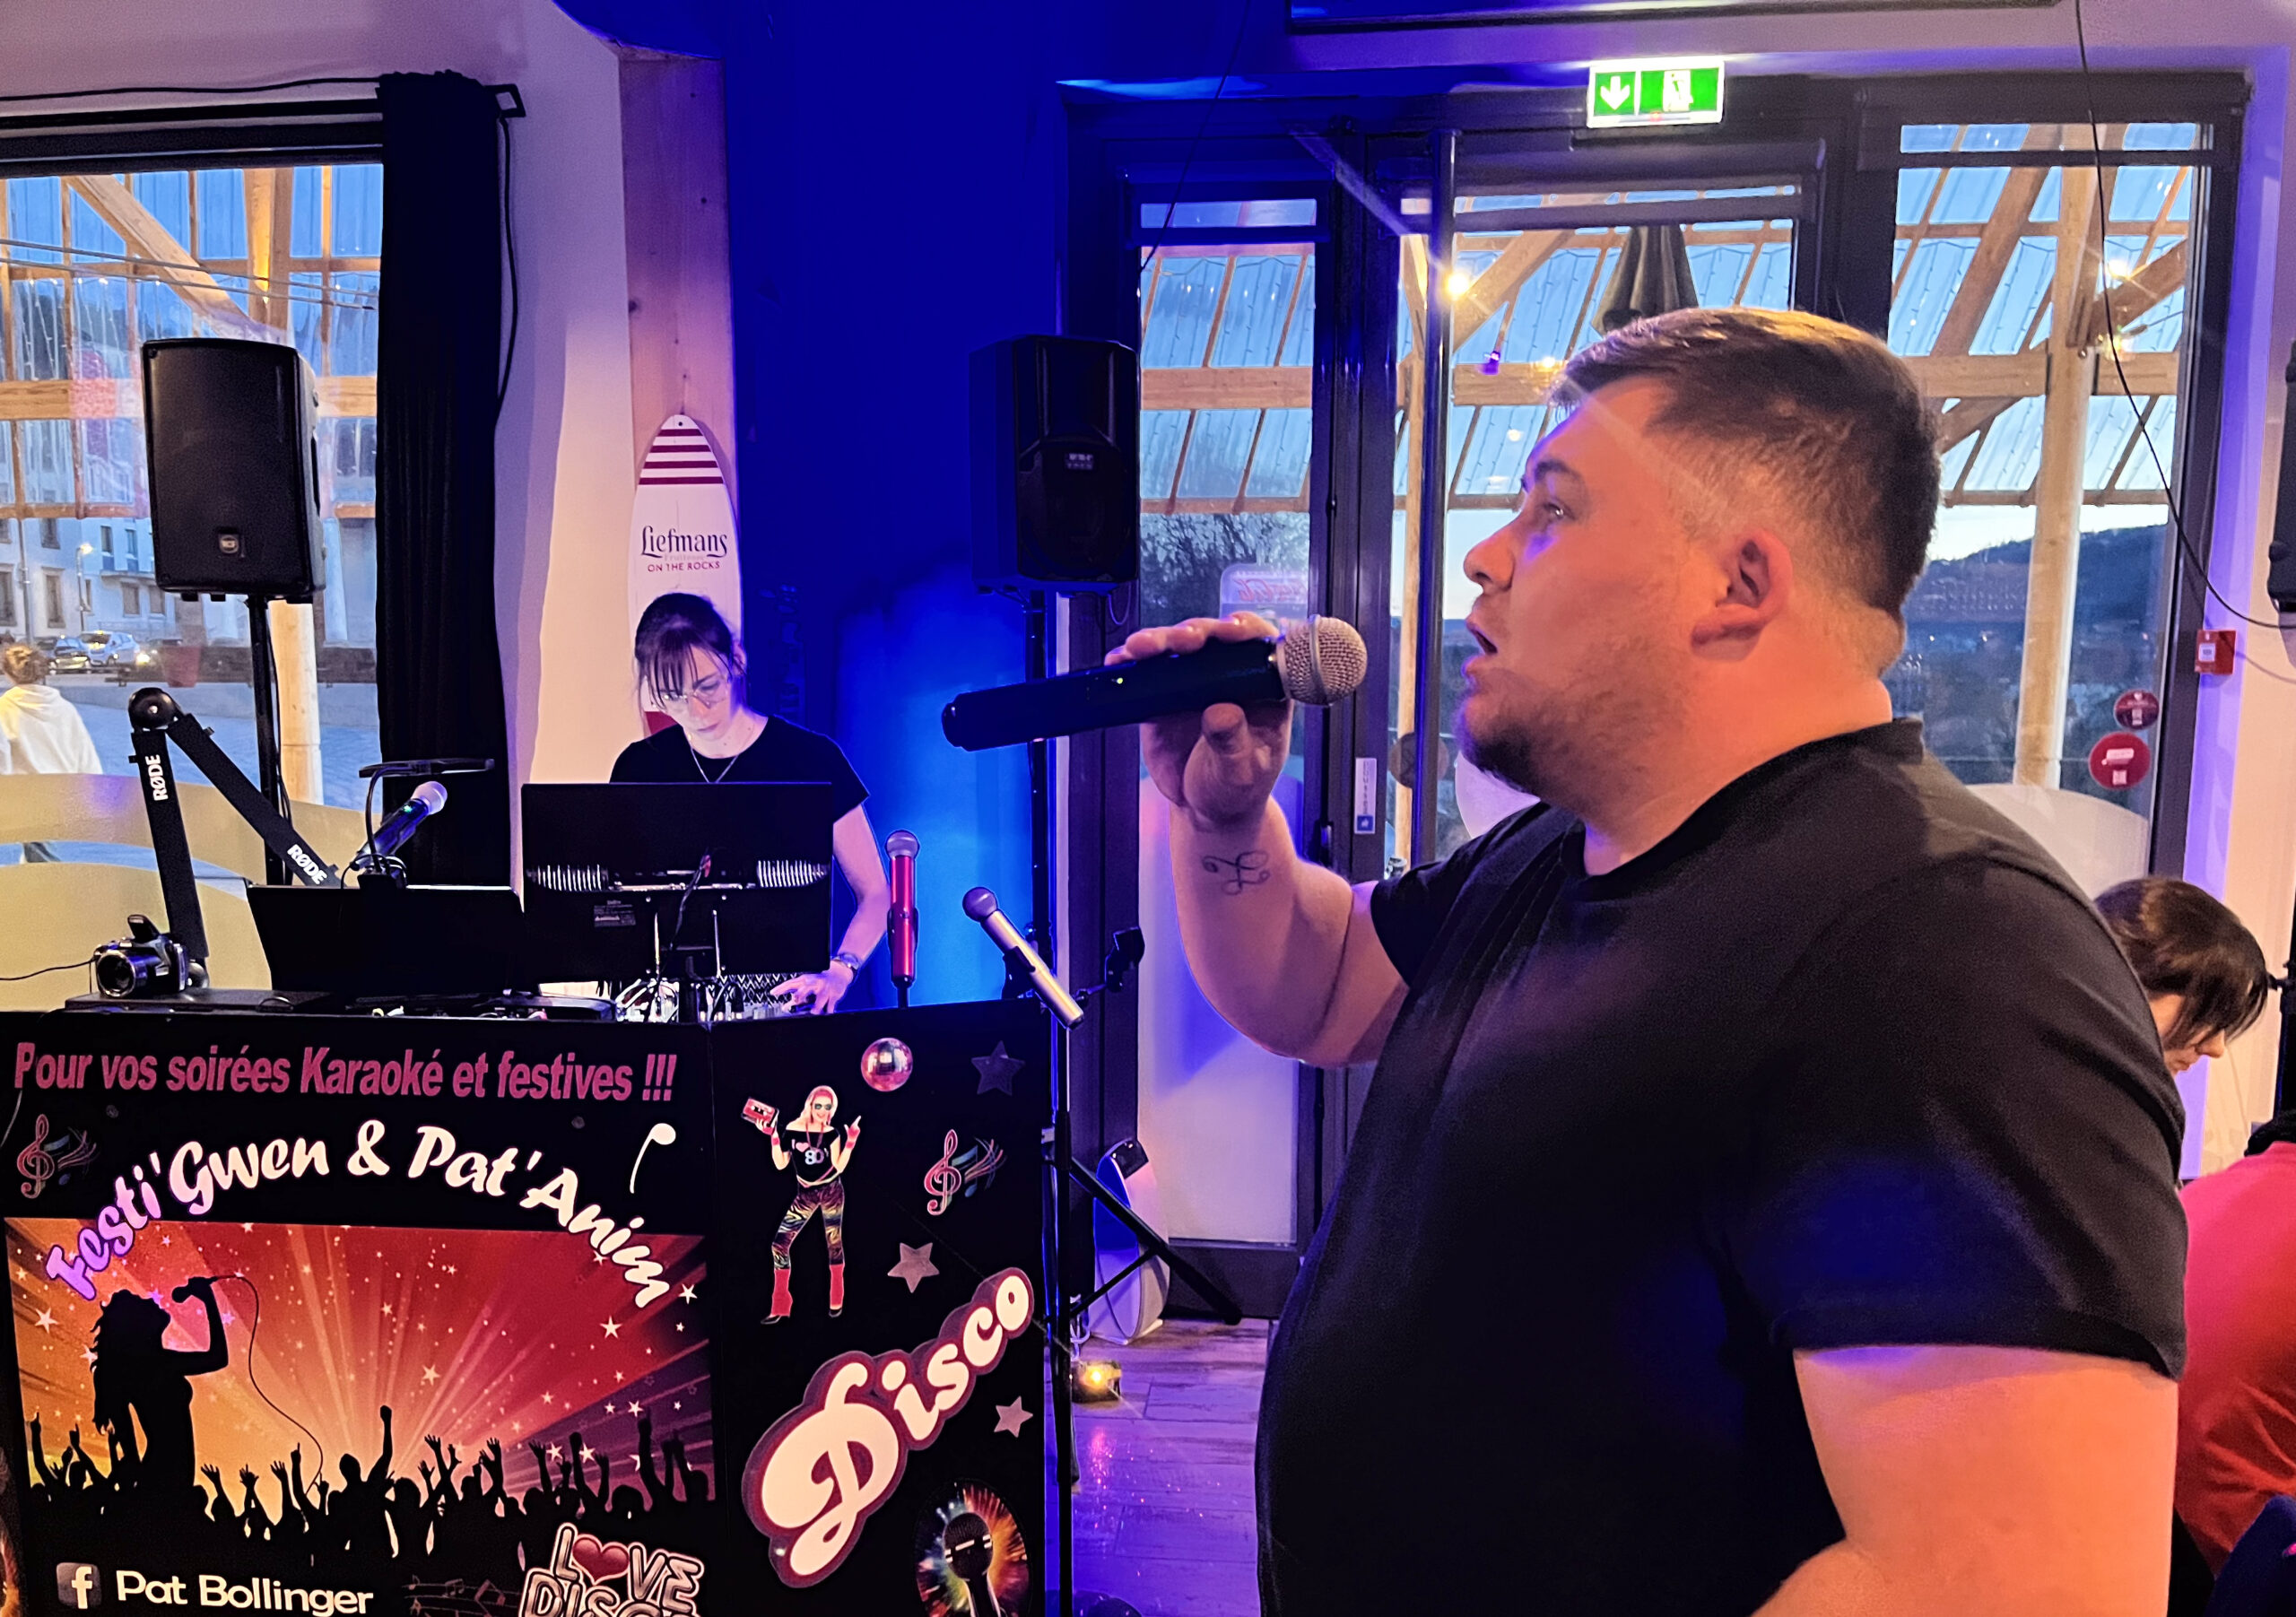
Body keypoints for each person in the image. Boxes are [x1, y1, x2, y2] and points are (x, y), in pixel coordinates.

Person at [1117, 308, 2187, 1614]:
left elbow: (2002, 1584)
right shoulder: (1559, 848)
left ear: (1739, 582)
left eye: (1552, 509)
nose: (1486, 556)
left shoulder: (1949, 950)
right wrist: (1225, 820)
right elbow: (1320, 984)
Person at [2105, 878, 2296, 1577]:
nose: (2214, 1047)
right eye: (2207, 1012)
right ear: (2123, 979)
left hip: (2142, 1521)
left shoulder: (2186, 1179)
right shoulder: (2072, 1130)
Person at [611, 594, 886, 1013]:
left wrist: (841, 968)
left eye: (707, 686)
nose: (695, 709)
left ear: (736, 659)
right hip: (665, 1007)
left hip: (782, 1004)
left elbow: (876, 892)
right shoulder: (639, 766)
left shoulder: (811, 758)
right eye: (673, 695)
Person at [0, 641, 105, 863]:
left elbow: (2, 754)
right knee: (37, 850)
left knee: (40, 857)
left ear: (7, 672)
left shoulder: (5, 708)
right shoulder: (64, 708)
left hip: (26, 795)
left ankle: (51, 883)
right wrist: (93, 788)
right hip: (62, 791)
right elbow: (83, 749)